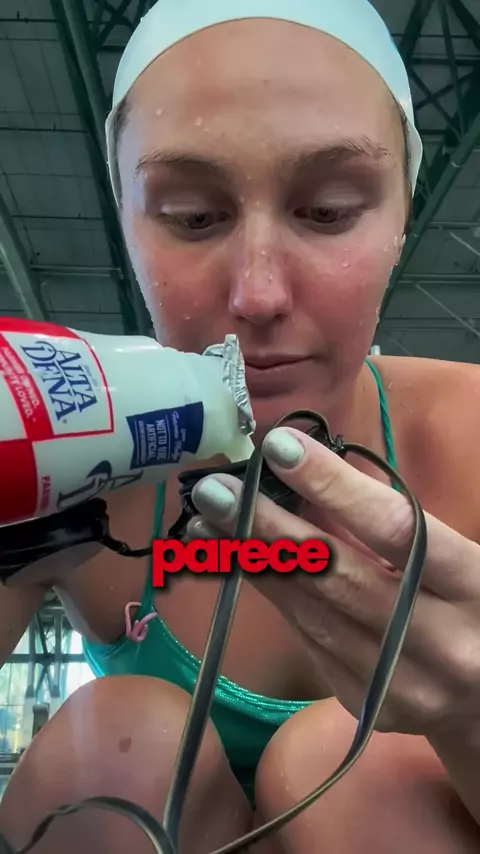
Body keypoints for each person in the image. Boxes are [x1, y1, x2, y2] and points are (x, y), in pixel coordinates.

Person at [1, 1, 480, 852]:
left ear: (402, 215)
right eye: (192, 216)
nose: (257, 295)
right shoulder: (64, 458)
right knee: (115, 751)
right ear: (127, 221)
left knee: (351, 769)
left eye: (329, 210)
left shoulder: (471, 436)